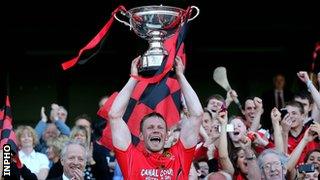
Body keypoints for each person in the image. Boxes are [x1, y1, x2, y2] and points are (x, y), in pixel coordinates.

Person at [108, 56, 203, 179]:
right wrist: (133, 78)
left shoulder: (179, 155)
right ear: (141, 135)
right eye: (150, 127)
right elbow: (114, 116)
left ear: (167, 134)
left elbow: (197, 115)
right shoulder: (131, 158)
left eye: (160, 127)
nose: (156, 130)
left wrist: (180, 76)